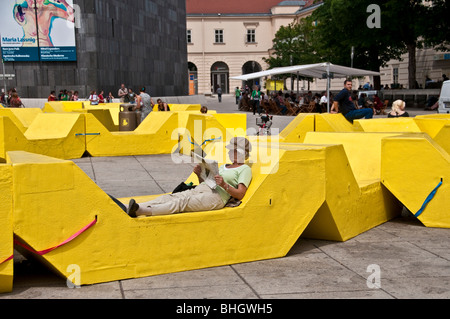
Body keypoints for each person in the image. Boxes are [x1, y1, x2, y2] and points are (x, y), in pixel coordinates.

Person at [126, 137, 253, 217]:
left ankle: (142, 211)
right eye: (231, 150)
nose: (231, 153)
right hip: (205, 188)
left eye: (235, 151)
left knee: (182, 203)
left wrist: (224, 185)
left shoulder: (244, 169)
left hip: (218, 197)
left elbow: (240, 194)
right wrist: (200, 175)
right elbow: (209, 182)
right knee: (173, 196)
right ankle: (136, 206)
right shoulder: (225, 166)